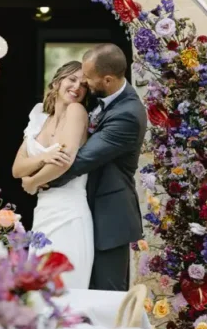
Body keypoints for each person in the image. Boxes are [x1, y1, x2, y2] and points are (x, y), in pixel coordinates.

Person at [21, 44, 147, 291]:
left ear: (107, 80)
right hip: (83, 210)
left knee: (107, 295)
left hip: (109, 216)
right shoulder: (97, 101)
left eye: (88, 77)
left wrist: (36, 181)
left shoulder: (127, 114)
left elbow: (79, 161)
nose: (84, 84)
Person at [11, 61, 94, 289]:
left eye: (84, 85)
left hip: (69, 212)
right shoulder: (39, 118)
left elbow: (64, 161)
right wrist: (42, 158)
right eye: (72, 79)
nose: (77, 87)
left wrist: (33, 181)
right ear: (57, 82)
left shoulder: (77, 111)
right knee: (39, 289)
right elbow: (17, 168)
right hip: (43, 213)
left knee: (64, 289)